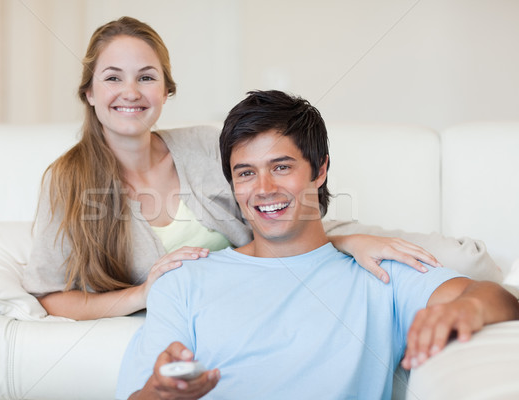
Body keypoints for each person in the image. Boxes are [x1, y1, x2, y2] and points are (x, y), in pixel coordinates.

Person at [22, 16, 497, 321]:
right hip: (246, 288)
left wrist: (348, 242)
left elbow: (277, 220)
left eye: (147, 77)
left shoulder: (207, 145)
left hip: (297, 246)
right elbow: (51, 295)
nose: (131, 91)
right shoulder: (67, 181)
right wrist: (141, 295)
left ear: (166, 90)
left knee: (465, 260)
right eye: (112, 77)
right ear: (88, 92)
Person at [115, 90, 519, 400]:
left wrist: (468, 307)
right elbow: (142, 394)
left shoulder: (381, 273)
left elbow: (496, 298)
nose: (264, 189)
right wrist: (157, 393)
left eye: (281, 167)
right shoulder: (184, 280)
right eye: (246, 173)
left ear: (320, 169)